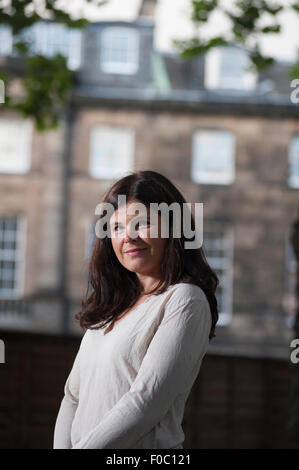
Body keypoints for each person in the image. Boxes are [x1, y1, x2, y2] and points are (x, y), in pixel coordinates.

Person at [53, 170, 219, 449]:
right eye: (117, 227)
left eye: (142, 223)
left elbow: (147, 401)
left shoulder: (185, 300)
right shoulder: (110, 307)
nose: (128, 237)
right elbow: (72, 396)